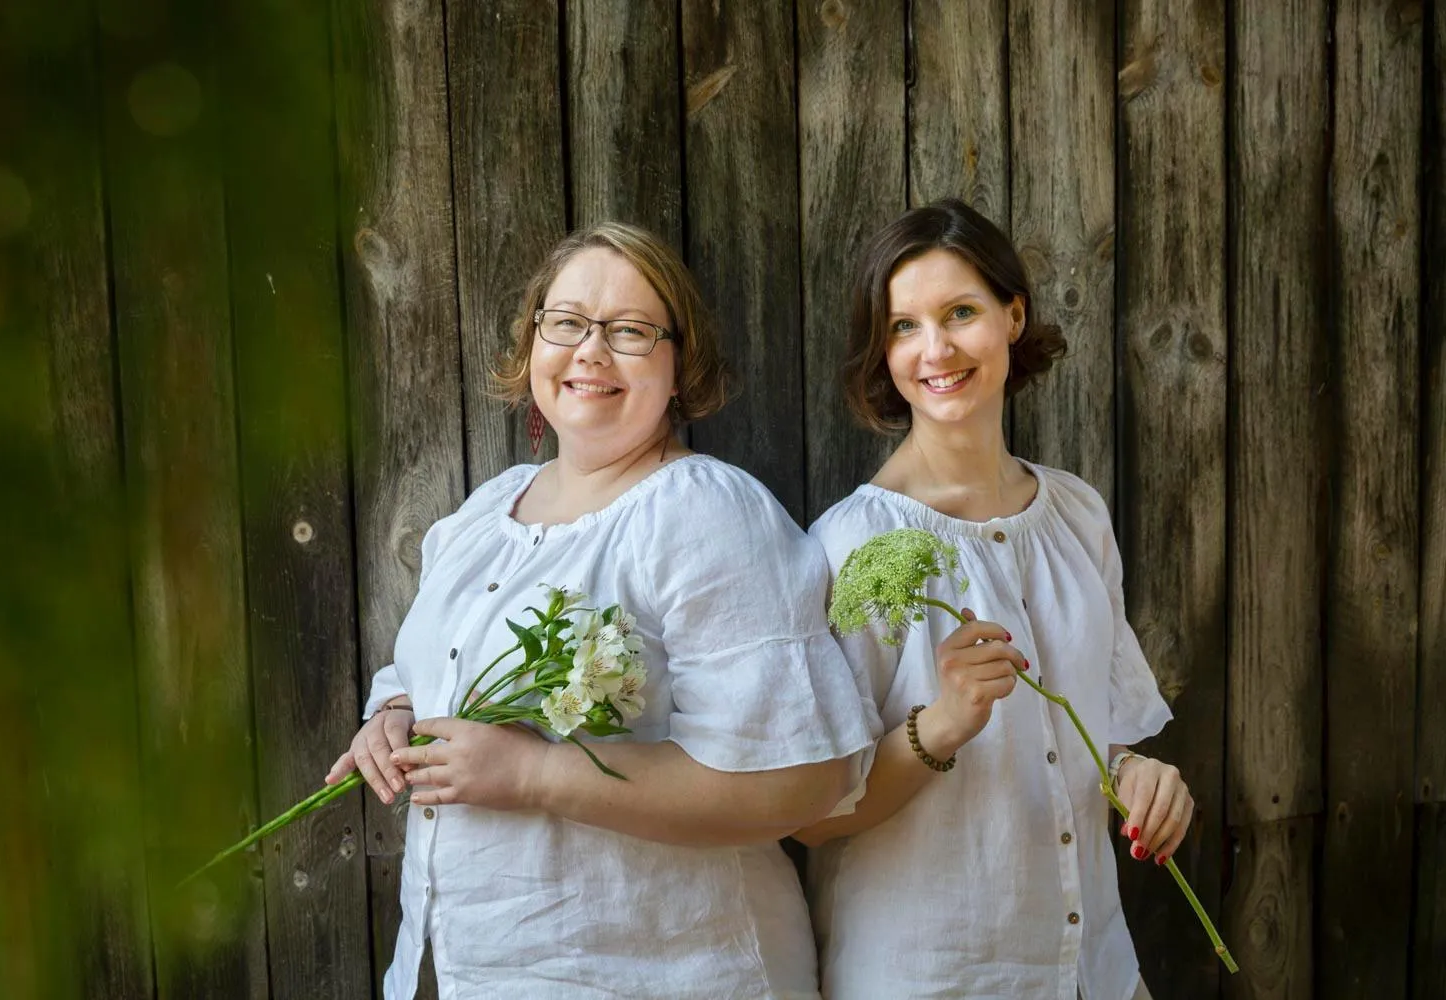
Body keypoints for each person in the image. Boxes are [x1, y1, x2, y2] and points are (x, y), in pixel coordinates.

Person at [325, 221, 873, 999]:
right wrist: (397, 714)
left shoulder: (706, 514)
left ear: (680, 365)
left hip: (663, 972)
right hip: (474, 969)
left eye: (629, 331)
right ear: (532, 343)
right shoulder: (486, 513)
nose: (590, 350)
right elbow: (424, 669)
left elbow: (804, 778)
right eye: (568, 322)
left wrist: (536, 774)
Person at [795, 200, 1188, 1000]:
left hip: (1093, 971)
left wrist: (1142, 776)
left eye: (960, 312)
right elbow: (810, 815)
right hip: (931, 975)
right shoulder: (848, 545)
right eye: (903, 326)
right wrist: (942, 724)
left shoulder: (1077, 512)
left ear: (1013, 315)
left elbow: (1098, 734)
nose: (934, 349)